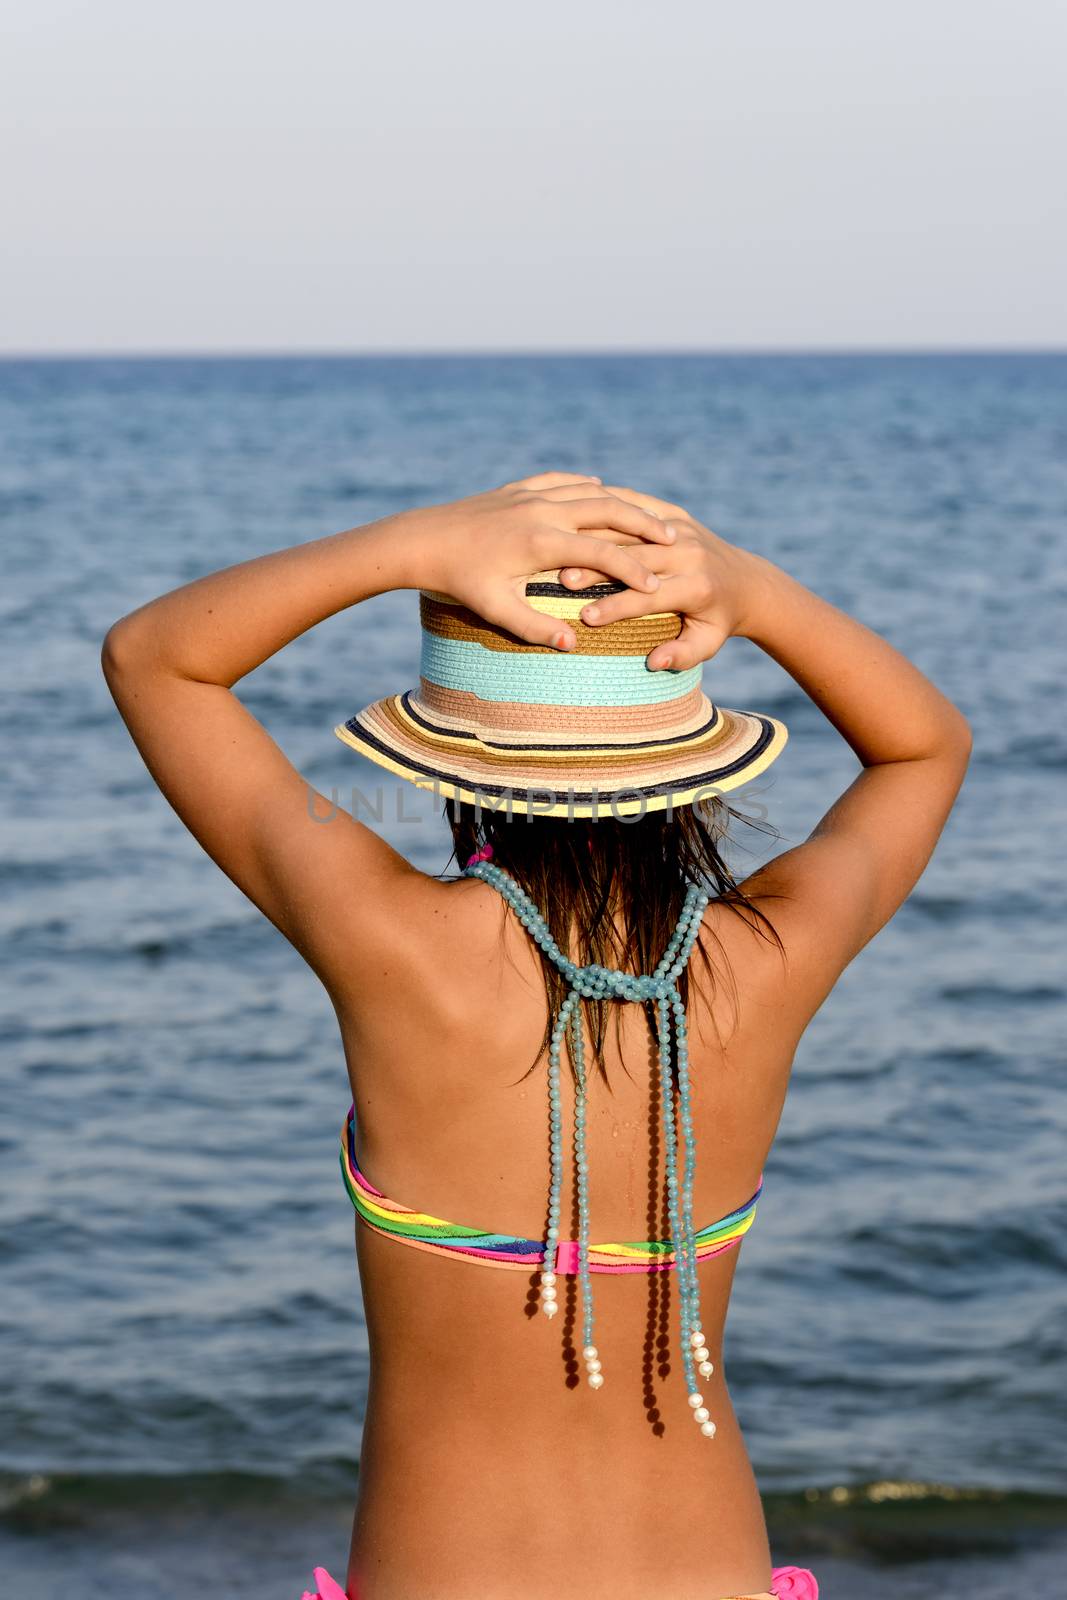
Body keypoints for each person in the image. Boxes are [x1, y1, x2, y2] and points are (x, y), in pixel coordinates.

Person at [102, 472, 971, 1600]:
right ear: (689, 758)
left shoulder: (393, 945)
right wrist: (749, 592)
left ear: (452, 765)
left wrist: (413, 544)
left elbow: (153, 658)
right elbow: (923, 747)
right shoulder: (763, 961)